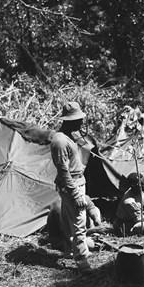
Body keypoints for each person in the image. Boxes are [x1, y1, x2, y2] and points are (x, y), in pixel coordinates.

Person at [50, 101, 92, 275]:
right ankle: (82, 261)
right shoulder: (60, 141)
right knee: (79, 222)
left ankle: (70, 251)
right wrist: (75, 194)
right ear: (69, 121)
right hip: (72, 185)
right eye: (78, 120)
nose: (81, 123)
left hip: (76, 182)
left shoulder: (69, 137)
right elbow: (63, 170)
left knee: (69, 219)